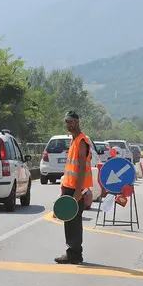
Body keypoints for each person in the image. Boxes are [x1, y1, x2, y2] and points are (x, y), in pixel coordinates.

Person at [55, 111, 93, 264]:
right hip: (69, 187)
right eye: (67, 121)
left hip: (77, 188)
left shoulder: (82, 141)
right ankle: (71, 252)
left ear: (77, 121)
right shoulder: (73, 141)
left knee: (74, 222)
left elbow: (82, 168)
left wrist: (78, 191)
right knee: (68, 220)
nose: (69, 124)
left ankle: (76, 254)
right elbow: (71, 168)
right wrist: (64, 187)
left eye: (71, 121)